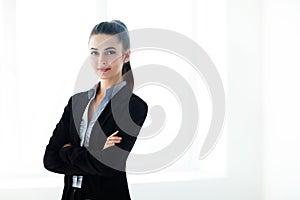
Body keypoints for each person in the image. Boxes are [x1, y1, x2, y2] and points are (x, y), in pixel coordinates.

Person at [43, 20, 148, 200]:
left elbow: (108, 166)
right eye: (94, 52)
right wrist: (95, 154)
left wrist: (66, 152)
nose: (101, 60)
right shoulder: (76, 102)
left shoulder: (133, 107)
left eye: (110, 52)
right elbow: (50, 160)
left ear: (126, 55)